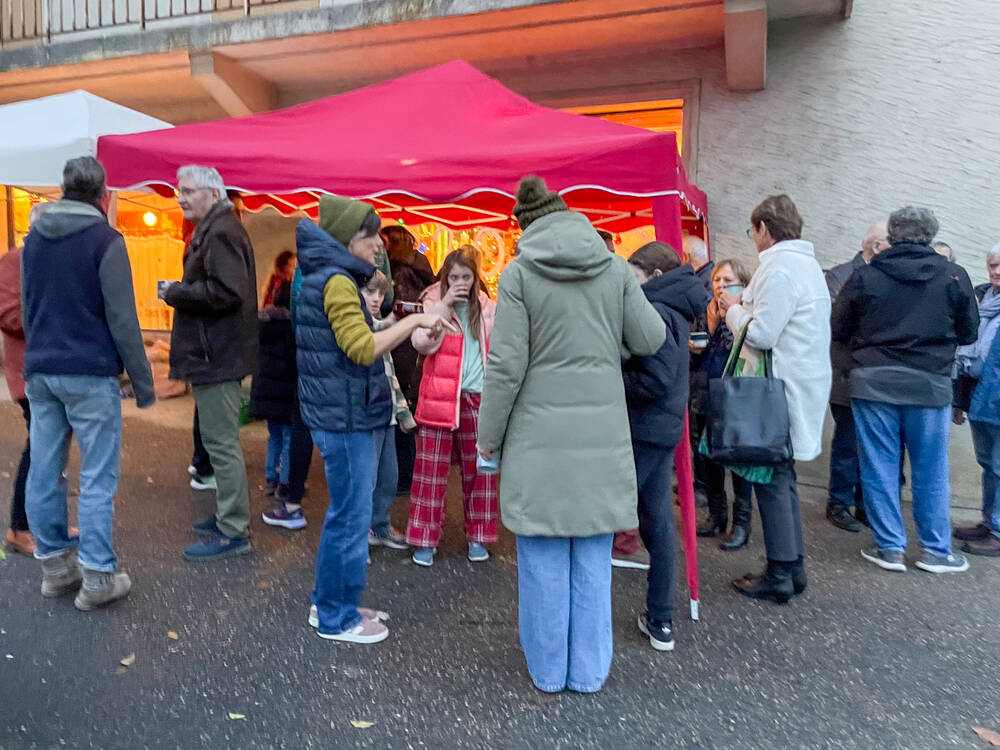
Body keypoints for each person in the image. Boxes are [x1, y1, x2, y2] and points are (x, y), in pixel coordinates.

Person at [478, 176, 666, 693]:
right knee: (592, 558)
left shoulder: (519, 275)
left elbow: (506, 366)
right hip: (602, 436)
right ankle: (588, 671)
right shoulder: (613, 267)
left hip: (537, 439)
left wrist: (488, 436)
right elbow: (650, 337)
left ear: (526, 227)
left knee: (541, 558)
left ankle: (547, 670)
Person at [296, 195, 451, 644]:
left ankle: (330, 602)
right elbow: (361, 347)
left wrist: (406, 322)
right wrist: (416, 322)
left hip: (341, 412)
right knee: (350, 517)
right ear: (350, 239)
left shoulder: (330, 276)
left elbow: (357, 335)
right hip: (346, 416)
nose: (378, 245)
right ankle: (336, 617)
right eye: (371, 236)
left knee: (346, 515)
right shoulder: (337, 281)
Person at [21, 156, 155, 610]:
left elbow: (29, 306)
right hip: (90, 372)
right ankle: (97, 577)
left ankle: (56, 570)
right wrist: (142, 383)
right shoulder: (105, 241)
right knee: (97, 476)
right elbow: (122, 318)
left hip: (42, 369)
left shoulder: (34, 240)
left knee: (45, 469)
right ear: (104, 195)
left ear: (63, 190)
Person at [832, 206, 978, 574]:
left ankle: (890, 548)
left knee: (879, 465)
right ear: (931, 235)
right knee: (931, 469)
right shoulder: (953, 275)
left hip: (873, 382)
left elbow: (839, 328)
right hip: (929, 384)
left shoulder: (866, 275)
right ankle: (936, 551)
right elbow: (969, 333)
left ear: (892, 236)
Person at [719, 194, 831, 603]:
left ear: (764, 228)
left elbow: (763, 334)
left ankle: (781, 572)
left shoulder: (780, 268)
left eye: (752, 230)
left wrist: (733, 309)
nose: (753, 238)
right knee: (783, 479)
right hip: (795, 386)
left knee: (772, 481)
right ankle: (791, 568)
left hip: (778, 391)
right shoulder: (804, 265)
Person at [160, 165, 258, 561]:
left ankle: (234, 530)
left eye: (187, 191)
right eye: (179, 190)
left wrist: (177, 292)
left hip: (217, 354)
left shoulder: (221, 231)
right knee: (219, 443)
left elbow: (227, 292)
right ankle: (228, 517)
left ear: (214, 194)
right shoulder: (219, 228)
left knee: (221, 443)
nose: (180, 197)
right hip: (216, 352)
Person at [623, 241, 709, 650]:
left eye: (635, 277)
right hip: (662, 427)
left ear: (655, 276)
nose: (631, 286)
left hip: (644, 428)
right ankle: (660, 619)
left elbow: (655, 379)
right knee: (656, 522)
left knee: (610, 515)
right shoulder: (676, 306)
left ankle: (650, 618)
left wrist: (610, 379)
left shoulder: (655, 309)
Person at [406, 245, 499, 566]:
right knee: (430, 474)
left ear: (476, 278)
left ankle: (478, 537)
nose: (461, 283)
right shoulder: (431, 302)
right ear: (445, 278)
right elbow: (421, 343)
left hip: (477, 396)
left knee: (481, 473)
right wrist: (444, 305)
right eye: (455, 277)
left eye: (466, 277)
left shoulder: (488, 308)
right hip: (438, 398)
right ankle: (424, 540)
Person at [823, 221, 888, 533]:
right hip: (847, 375)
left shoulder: (885, 277)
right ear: (876, 246)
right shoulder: (839, 276)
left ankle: (864, 505)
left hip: (874, 376)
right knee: (848, 444)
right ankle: (838, 504)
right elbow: (838, 326)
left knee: (871, 446)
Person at [0, 203, 55, 556]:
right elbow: (8, 315)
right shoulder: (15, 261)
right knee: (39, 448)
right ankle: (19, 528)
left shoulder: (50, 260)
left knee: (51, 449)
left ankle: (47, 522)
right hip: (30, 370)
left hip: (51, 368)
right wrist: (53, 320)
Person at [690, 258, 756, 550]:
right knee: (709, 458)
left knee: (738, 461)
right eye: (717, 280)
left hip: (736, 395)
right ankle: (716, 515)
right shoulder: (705, 311)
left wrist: (730, 315)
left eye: (728, 281)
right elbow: (695, 353)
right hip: (705, 392)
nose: (720, 286)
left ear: (743, 284)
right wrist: (699, 339)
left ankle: (741, 523)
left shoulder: (749, 314)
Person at [359, 270, 416, 550]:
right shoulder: (357, 326)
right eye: (370, 292)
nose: (376, 298)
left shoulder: (379, 326)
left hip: (386, 414)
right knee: (366, 479)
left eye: (380, 293)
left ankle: (379, 525)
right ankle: (360, 533)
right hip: (368, 414)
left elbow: (390, 374)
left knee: (388, 476)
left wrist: (402, 411)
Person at [249, 281, 301, 526]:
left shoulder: (262, 324)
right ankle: (285, 482)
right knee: (290, 439)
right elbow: (294, 363)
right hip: (286, 394)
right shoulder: (292, 328)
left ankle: (271, 477)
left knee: (275, 437)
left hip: (267, 393)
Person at [957, 319, 1000, 556]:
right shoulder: (987, 310)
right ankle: (989, 522)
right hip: (982, 398)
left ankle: (998, 532)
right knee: (988, 465)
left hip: (994, 399)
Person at [953, 245, 1000, 427]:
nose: (996, 272)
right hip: (971, 387)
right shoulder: (978, 297)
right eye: (993, 265)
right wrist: (957, 400)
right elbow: (962, 343)